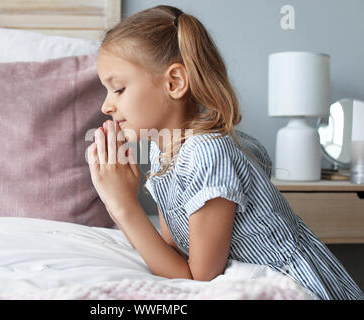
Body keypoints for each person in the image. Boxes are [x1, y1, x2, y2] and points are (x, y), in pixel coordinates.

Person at [86, 5, 363, 300]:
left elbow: (198, 280)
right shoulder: (161, 149)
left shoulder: (207, 154)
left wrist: (123, 206)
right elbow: (174, 252)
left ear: (174, 83)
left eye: (118, 89)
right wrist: (122, 194)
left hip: (294, 284)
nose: (106, 106)